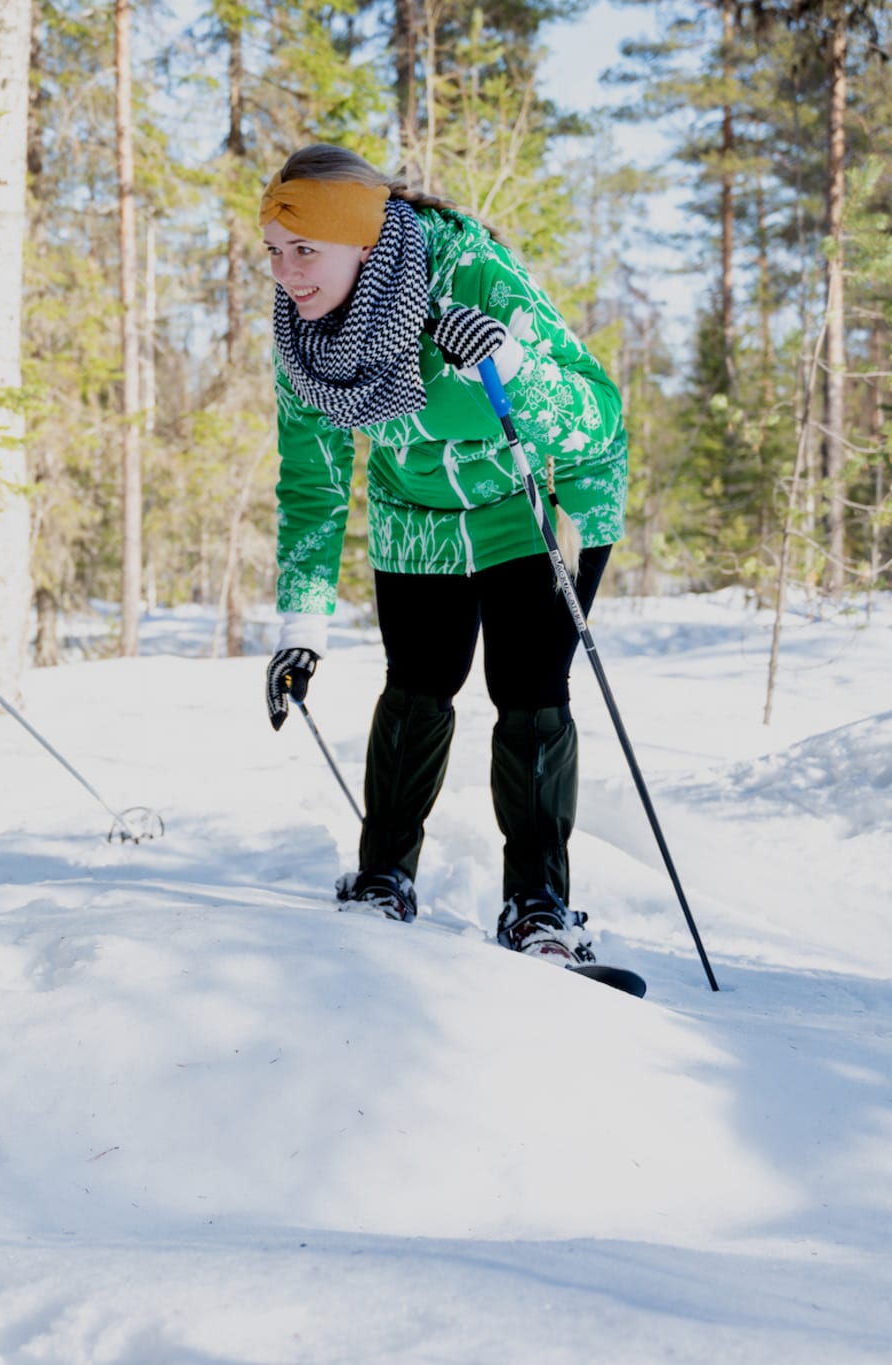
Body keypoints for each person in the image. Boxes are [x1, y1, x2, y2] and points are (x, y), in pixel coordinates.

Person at [257, 144, 628, 966]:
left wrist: (511, 366)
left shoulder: (470, 274)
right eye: (275, 252)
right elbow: (312, 485)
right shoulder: (304, 337)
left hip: (528, 496)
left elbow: (598, 416)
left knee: (530, 689)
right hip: (414, 511)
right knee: (421, 683)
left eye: (304, 250)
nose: (286, 273)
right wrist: (301, 621)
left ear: (361, 238)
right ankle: (383, 877)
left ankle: (539, 902)